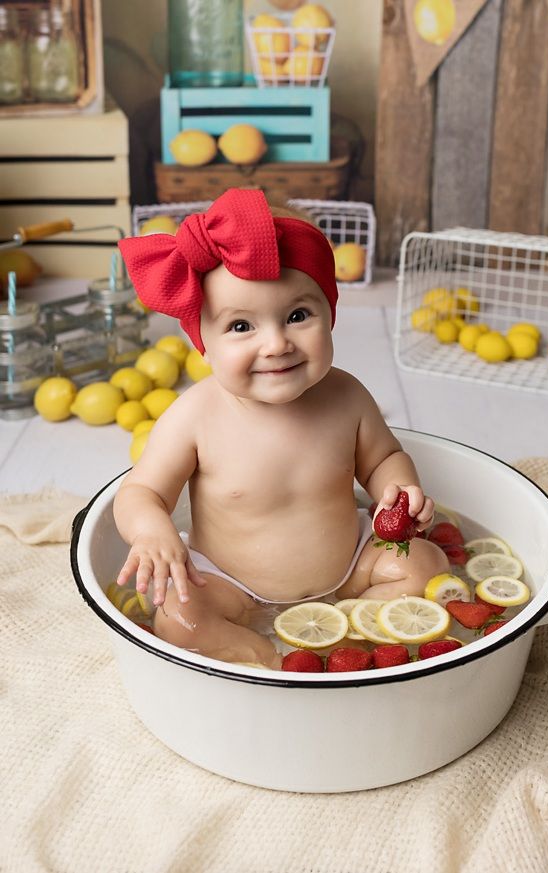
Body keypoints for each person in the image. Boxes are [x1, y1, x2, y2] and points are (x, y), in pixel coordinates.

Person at [115, 189, 446, 668]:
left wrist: (399, 489)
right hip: (230, 585)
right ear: (202, 339)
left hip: (349, 567)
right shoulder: (195, 416)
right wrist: (151, 533)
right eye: (241, 327)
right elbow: (141, 491)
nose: (275, 344)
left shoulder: (346, 396)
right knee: (180, 618)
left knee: (424, 565)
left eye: (297, 316)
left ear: (329, 313)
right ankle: (269, 659)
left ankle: (351, 638)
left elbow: (382, 459)